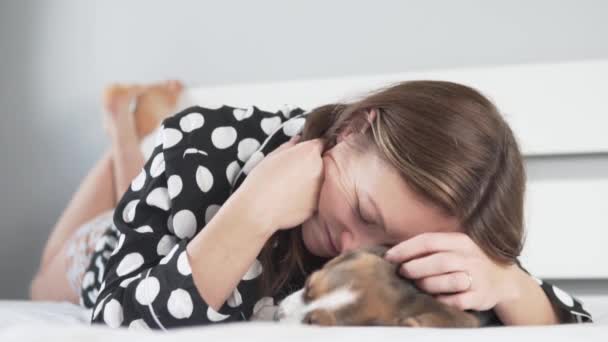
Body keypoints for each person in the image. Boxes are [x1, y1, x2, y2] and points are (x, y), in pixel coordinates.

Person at [32, 80, 593, 329]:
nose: (351, 247)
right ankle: (124, 133)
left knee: (142, 194)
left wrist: (510, 285)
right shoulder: (203, 143)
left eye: (388, 244)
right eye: (364, 212)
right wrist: (251, 213)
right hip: (113, 250)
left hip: (155, 207)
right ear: (351, 129)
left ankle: (133, 138)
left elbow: (573, 321)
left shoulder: (441, 216)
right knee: (46, 277)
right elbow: (113, 312)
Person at [30, 80, 184, 303]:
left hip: (102, 247)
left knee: (42, 283)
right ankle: (124, 130)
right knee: (40, 288)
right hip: (103, 251)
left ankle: (125, 131)